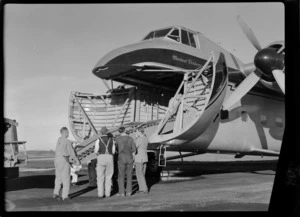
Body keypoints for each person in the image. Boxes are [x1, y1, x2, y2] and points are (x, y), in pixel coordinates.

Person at [53, 127, 80, 201]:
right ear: (65, 132)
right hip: (64, 160)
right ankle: (65, 196)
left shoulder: (59, 140)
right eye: (67, 132)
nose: (68, 134)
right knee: (66, 178)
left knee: (58, 178)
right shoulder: (68, 142)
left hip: (57, 160)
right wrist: (77, 161)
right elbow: (72, 153)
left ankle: (56, 193)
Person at [115, 127, 136, 197]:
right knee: (129, 175)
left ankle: (122, 192)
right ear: (125, 131)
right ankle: (129, 192)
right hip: (129, 157)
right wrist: (133, 158)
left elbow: (116, 149)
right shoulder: (130, 138)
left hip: (121, 158)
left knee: (121, 175)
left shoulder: (117, 139)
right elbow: (134, 150)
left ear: (119, 132)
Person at [94, 127, 115, 198]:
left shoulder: (98, 140)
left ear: (101, 132)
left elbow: (96, 151)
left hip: (101, 157)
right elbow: (114, 151)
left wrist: (99, 154)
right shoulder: (112, 139)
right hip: (109, 157)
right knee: (109, 176)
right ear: (107, 132)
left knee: (100, 177)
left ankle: (100, 194)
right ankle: (108, 194)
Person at [134, 127, 149, 194]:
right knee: (142, 173)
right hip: (145, 157)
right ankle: (142, 188)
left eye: (136, 131)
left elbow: (134, 147)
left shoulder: (139, 139)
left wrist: (136, 138)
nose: (136, 133)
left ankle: (144, 188)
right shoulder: (145, 138)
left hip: (139, 158)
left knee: (139, 174)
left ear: (139, 132)